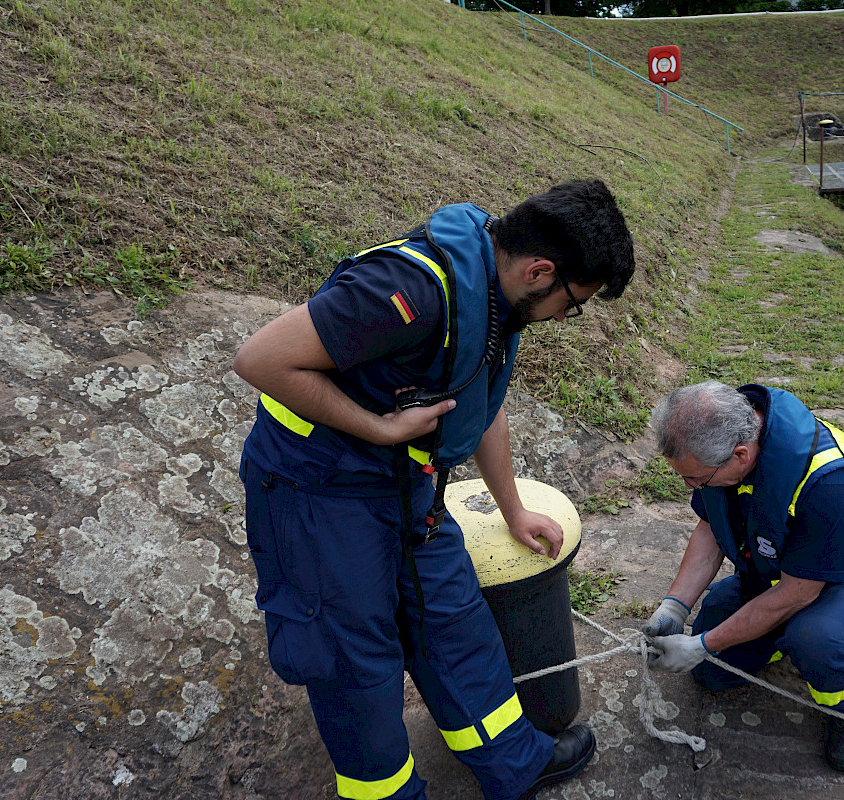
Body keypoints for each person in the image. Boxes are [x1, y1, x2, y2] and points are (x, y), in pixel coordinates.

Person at [233, 179, 635, 800]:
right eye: (572, 303)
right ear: (541, 271)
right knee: (354, 662)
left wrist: (514, 509)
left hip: (407, 491)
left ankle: (515, 765)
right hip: (317, 494)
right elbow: (260, 359)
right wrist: (380, 428)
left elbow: (480, 401)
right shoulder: (408, 290)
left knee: (454, 620)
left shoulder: (496, 301)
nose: (566, 317)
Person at [643, 380, 844, 773]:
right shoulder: (721, 447)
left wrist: (703, 642)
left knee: (816, 636)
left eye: (696, 479)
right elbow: (710, 527)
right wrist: (674, 606)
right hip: (779, 573)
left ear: (741, 454)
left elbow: (796, 594)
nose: (690, 487)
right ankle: (777, 639)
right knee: (712, 673)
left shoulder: (832, 483)